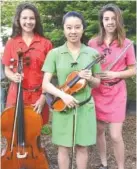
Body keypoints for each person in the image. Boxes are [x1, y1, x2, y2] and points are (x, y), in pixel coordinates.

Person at [42, 11, 101, 169]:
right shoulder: (54, 53)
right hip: (63, 105)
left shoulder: (92, 54)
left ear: (83, 29)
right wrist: (63, 95)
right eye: (69, 27)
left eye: (77, 27)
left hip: (85, 107)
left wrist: (90, 79)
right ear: (64, 29)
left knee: (83, 147)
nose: (73, 31)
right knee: (63, 147)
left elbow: (97, 83)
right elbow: (45, 84)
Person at [88, 3, 136, 169]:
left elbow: (133, 70)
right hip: (98, 90)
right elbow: (87, 67)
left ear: (118, 20)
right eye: (106, 18)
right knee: (99, 130)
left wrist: (116, 74)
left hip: (116, 92)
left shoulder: (127, 44)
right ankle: (104, 163)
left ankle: (121, 167)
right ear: (102, 21)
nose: (109, 22)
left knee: (115, 136)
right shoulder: (93, 43)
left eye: (113, 18)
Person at [2, 2, 53, 124]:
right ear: (18, 20)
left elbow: (49, 74)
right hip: (17, 94)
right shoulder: (11, 43)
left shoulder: (46, 44)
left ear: (36, 20)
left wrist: (43, 97)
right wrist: (13, 76)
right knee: (14, 130)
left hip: (38, 95)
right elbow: (6, 69)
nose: (28, 22)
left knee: (35, 133)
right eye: (24, 18)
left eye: (32, 18)